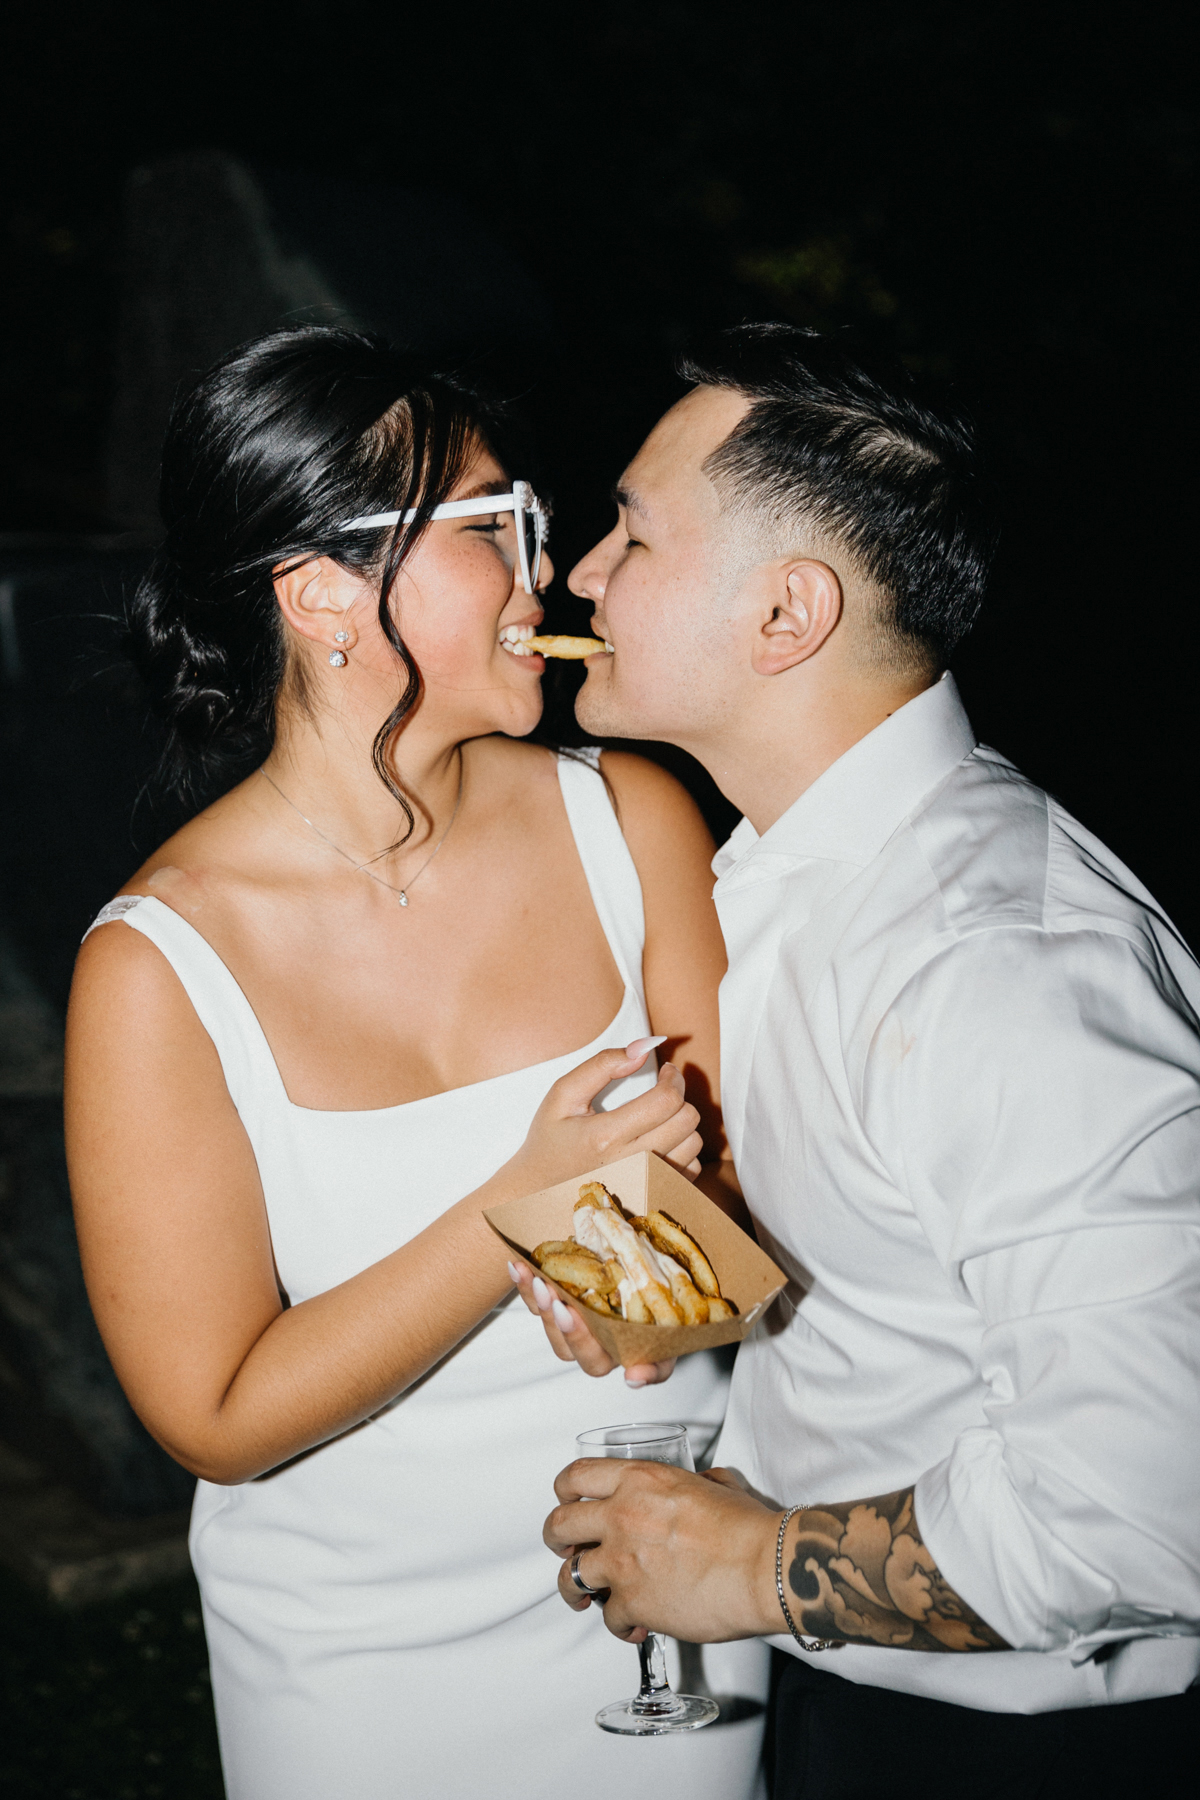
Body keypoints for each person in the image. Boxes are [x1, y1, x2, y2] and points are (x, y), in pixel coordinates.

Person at [64, 326, 768, 1800]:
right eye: (495, 527)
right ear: (320, 589)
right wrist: (515, 1204)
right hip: (363, 1675)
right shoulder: (157, 968)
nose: (550, 566)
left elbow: (718, 1251)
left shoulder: (632, 819)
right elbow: (215, 1415)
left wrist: (657, 1308)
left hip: (666, 1614)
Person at [514, 324, 1200, 1797]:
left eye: (631, 533)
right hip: (857, 1710)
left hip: (1044, 1751)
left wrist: (752, 1566)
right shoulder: (788, 872)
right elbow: (882, 1267)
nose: (577, 575)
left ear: (785, 614)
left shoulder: (999, 961)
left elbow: (1155, 1508)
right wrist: (656, 1284)